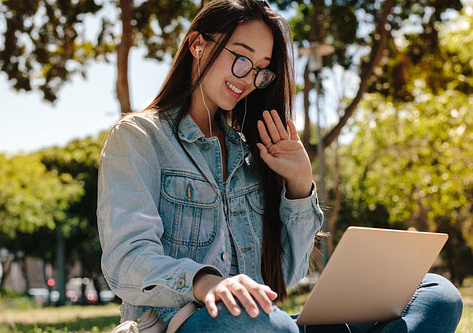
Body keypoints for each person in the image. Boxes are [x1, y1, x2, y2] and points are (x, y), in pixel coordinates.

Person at [97, 0, 463, 332]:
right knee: (271, 328)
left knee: (437, 294)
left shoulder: (254, 151)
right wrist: (208, 282)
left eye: (260, 70)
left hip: (267, 320)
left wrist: (300, 186)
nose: (248, 78)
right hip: (183, 321)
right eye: (241, 57)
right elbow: (127, 259)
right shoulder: (139, 137)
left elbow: (284, 276)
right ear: (197, 44)